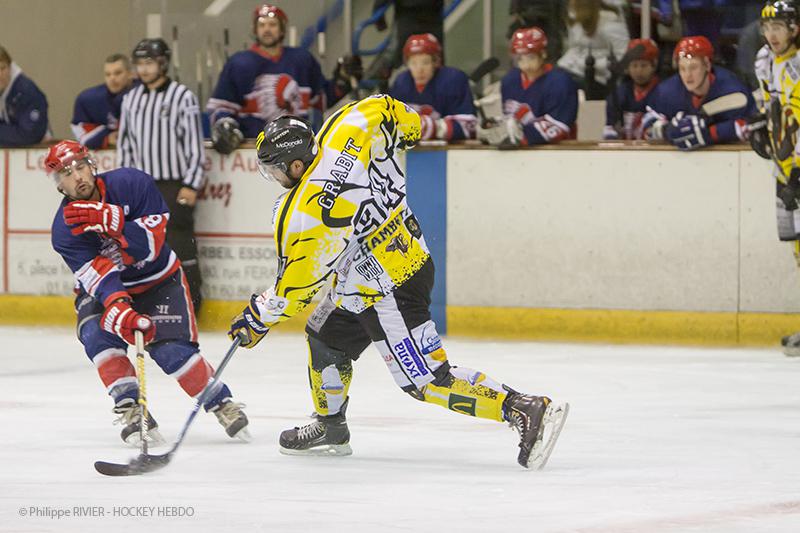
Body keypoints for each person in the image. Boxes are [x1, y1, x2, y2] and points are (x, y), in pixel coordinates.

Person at [226, 96, 569, 469]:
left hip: (387, 290)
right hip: (395, 261)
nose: (274, 178)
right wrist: (409, 134)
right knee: (325, 337)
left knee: (426, 380)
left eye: (274, 170)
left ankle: (523, 408)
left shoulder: (304, 213)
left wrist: (256, 319)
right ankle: (331, 426)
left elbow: (296, 289)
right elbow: (393, 111)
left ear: (295, 165)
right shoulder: (347, 127)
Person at [47, 140, 249, 445]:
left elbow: (151, 246)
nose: (77, 177)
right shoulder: (64, 230)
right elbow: (97, 275)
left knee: (172, 352)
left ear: (92, 165)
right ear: (59, 185)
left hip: (158, 281)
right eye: (66, 173)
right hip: (108, 291)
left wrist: (113, 221)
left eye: (80, 167)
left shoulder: (132, 183)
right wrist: (120, 308)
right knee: (97, 337)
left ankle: (220, 402)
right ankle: (130, 407)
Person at [117, 38, 205, 311]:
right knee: (141, 246)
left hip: (174, 185)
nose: (143, 69)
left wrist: (191, 184)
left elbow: (194, 145)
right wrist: (125, 185)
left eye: (149, 63)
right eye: (139, 63)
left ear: (163, 63)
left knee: (180, 246)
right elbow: (125, 146)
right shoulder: (130, 99)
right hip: (142, 187)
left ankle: (191, 305)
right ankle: (149, 304)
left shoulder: (182, 96)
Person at [748, 1, 800, 356]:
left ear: (794, 28)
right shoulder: (765, 60)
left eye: (779, 27)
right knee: (797, 247)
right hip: (785, 167)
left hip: (796, 166)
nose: (772, 35)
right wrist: (760, 126)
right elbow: (768, 104)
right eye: (767, 28)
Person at [207, 4, 326, 154]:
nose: (267, 29)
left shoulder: (302, 60)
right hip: (252, 150)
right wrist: (225, 125)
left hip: (297, 149)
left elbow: (323, 98)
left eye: (272, 24)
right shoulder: (239, 63)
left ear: (282, 29)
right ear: (255, 30)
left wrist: (343, 81)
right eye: (262, 25)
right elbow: (220, 107)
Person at [642, 35, 756, 150]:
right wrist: (667, 130)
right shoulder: (667, 91)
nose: (687, 75)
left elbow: (751, 124)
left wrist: (710, 134)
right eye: (682, 68)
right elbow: (646, 126)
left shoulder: (732, 89)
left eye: (693, 67)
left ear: (707, 65)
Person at [478, 27, 579, 147]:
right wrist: (497, 126)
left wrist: (520, 135)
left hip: (558, 152)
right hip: (522, 150)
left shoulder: (561, 82)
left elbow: (559, 125)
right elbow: (511, 119)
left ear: (543, 54)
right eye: (520, 57)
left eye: (530, 56)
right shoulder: (510, 80)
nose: (525, 63)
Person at [388, 33, 476, 141]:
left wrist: (435, 128)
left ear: (436, 62)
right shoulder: (401, 82)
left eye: (425, 63)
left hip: (450, 149)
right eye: (413, 63)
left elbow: (469, 126)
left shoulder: (452, 80)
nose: (419, 69)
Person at [556, 0, 630, 99]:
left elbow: (624, 58)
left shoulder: (611, 24)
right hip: (574, 69)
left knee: (563, 86)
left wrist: (595, 65)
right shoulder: (575, 19)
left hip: (599, 78)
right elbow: (574, 48)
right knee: (553, 80)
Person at [71, 54, 137, 149]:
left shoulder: (145, 96)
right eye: (108, 74)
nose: (112, 78)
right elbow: (81, 136)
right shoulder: (89, 100)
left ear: (131, 74)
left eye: (118, 73)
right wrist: (106, 138)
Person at [604, 38, 660, 140]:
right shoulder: (619, 94)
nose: (639, 71)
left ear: (654, 66)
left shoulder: (664, 93)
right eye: (634, 65)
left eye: (644, 65)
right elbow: (610, 127)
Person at [0, 44, 49, 147]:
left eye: (2, 68)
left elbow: (29, 135)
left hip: (35, 152)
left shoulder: (27, 92)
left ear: (10, 67)